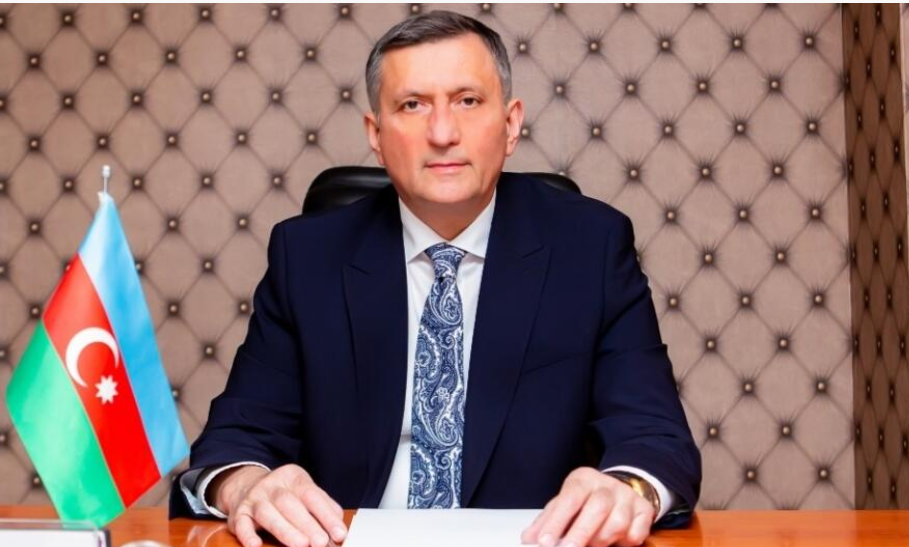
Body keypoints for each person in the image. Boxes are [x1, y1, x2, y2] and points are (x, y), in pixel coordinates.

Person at [170, 10, 700, 547]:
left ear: (511, 124)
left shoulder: (590, 249)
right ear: (376, 135)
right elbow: (237, 437)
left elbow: (654, 437)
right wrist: (247, 485)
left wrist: (627, 488)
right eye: (412, 105)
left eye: (467, 101)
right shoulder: (307, 258)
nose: (443, 133)